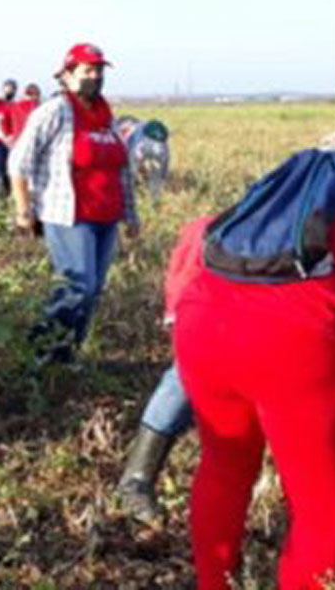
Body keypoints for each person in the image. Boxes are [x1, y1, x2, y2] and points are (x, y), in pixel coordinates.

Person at [172, 150, 335, 590]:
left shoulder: (289, 187)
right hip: (288, 342)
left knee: (224, 466)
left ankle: (214, 583)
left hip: (204, 321)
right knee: (324, 502)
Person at [8, 44, 138, 366]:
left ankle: (65, 355)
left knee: (92, 292)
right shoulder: (56, 111)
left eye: (98, 70)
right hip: (68, 215)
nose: (94, 77)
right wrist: (24, 209)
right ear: (67, 75)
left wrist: (131, 214)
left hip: (106, 216)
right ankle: (39, 351)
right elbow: (18, 161)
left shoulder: (106, 114)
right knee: (76, 287)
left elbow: (121, 168)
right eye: (87, 70)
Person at [115, 215, 209, 523]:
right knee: (185, 375)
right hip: (216, 305)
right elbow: (187, 277)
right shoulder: (215, 231)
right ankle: (137, 479)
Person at [5, 83, 42, 149]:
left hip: (16, 142)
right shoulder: (36, 106)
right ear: (36, 95)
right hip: (32, 142)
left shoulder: (14, 106)